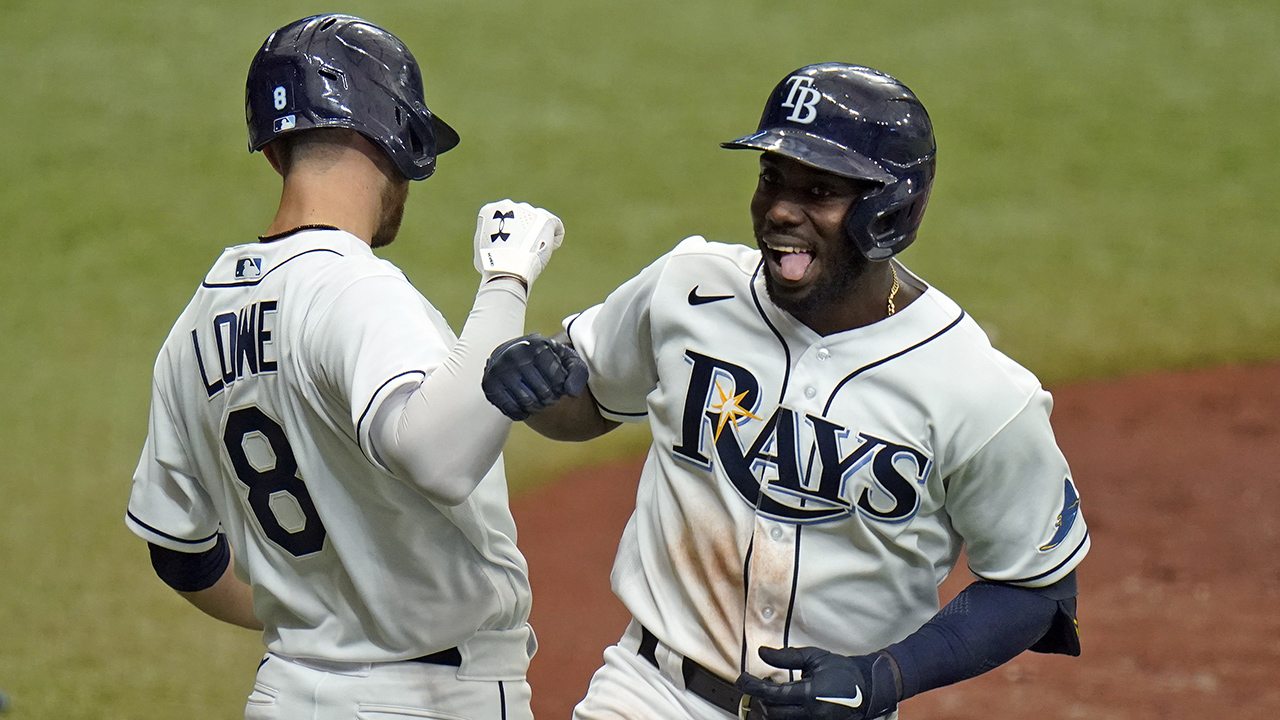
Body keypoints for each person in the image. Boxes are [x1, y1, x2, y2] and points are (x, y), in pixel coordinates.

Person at [481, 63, 1090, 720]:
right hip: (648, 694)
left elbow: (1037, 586)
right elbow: (590, 401)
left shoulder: (978, 390)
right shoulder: (690, 288)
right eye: (772, 178)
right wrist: (531, 384)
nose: (778, 209)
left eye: (818, 190)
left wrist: (883, 675)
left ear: (887, 210)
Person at [124, 14, 563, 720]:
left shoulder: (194, 325)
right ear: (388, 137)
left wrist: (313, 628)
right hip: (430, 699)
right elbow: (439, 458)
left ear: (274, 154)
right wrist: (506, 283)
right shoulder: (357, 289)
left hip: (287, 691)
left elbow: (179, 552)